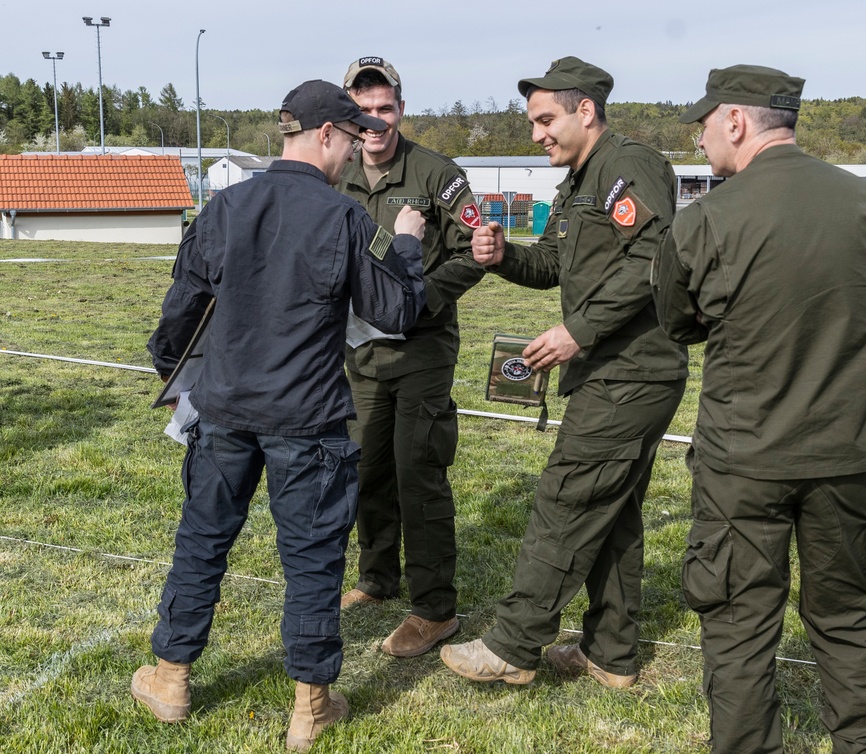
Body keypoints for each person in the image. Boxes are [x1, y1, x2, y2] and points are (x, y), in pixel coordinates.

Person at [132, 79, 427, 752]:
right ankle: (310, 707)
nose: (355, 157)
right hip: (309, 419)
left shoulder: (226, 206)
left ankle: (172, 677)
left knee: (203, 542)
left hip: (226, 412)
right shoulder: (347, 218)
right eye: (351, 142)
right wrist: (405, 242)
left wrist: (172, 378)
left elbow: (178, 316)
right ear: (326, 135)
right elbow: (397, 312)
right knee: (314, 561)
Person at [651, 65, 866, 753]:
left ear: (736, 121)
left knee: (737, 628)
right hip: (848, 453)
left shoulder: (707, 219)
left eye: (705, 124)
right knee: (848, 616)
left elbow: (677, 320)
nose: (701, 139)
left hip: (745, 459)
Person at [439, 57, 688, 688]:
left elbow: (656, 255)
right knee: (612, 512)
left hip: (631, 373)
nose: (536, 134)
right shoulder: (580, 181)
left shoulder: (626, 166)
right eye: (532, 122)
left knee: (567, 498)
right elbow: (553, 262)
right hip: (619, 372)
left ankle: (514, 646)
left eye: (546, 119)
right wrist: (502, 257)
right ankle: (611, 653)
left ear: (586, 111)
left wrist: (581, 329)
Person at [336, 56, 485, 658]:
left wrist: (418, 301)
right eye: (362, 110)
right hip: (359, 350)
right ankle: (377, 577)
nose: (374, 122)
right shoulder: (335, 170)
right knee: (366, 466)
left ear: (401, 106)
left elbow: (475, 253)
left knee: (418, 471)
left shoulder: (436, 174)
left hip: (421, 346)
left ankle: (434, 608)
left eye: (385, 109)